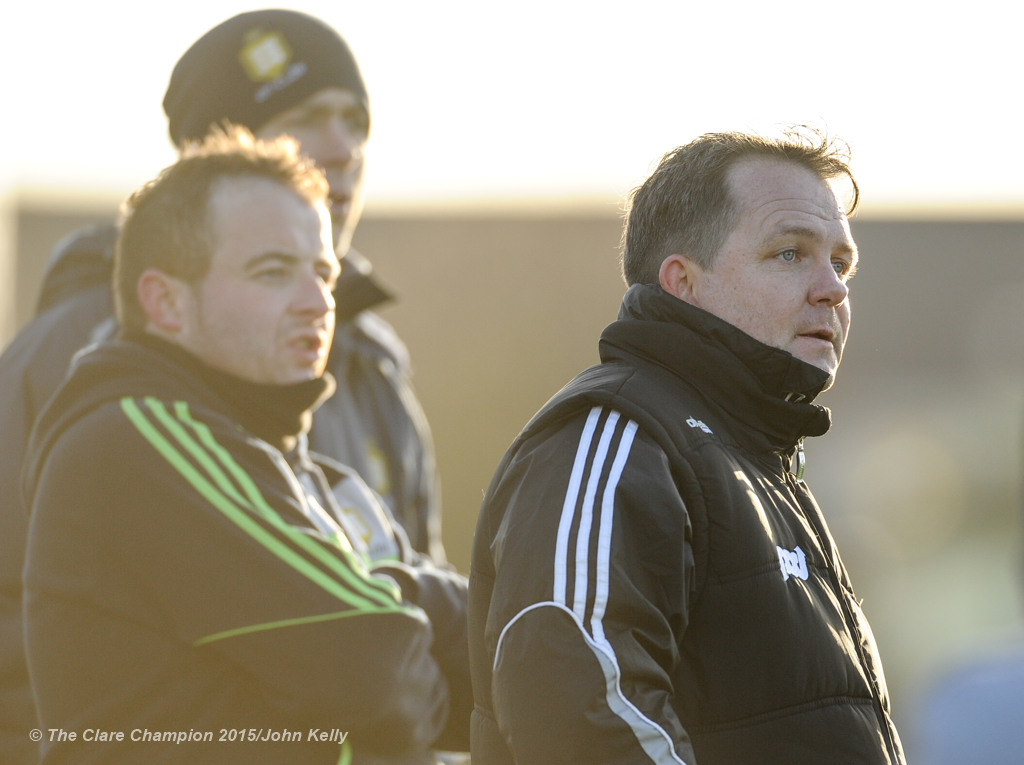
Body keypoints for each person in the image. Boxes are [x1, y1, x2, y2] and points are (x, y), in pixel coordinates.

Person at [0, 11, 443, 759]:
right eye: (305, 118)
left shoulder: (371, 360)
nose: (341, 149)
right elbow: (357, 664)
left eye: (354, 120)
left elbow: (410, 592)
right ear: (214, 155)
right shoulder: (104, 362)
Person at [468, 128, 906, 763]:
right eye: (789, 254)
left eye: (840, 264)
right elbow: (577, 700)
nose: (832, 289)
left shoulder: (756, 462)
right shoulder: (618, 434)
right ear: (683, 282)